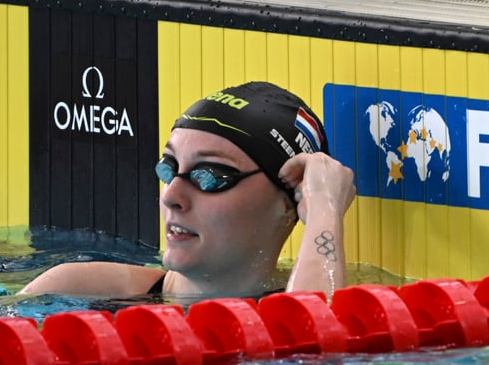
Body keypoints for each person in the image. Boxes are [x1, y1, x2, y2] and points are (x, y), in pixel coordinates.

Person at [20, 81, 356, 300]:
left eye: (210, 176)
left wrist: (324, 209)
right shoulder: (76, 291)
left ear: (286, 204)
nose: (170, 197)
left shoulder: (307, 307)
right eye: (169, 168)